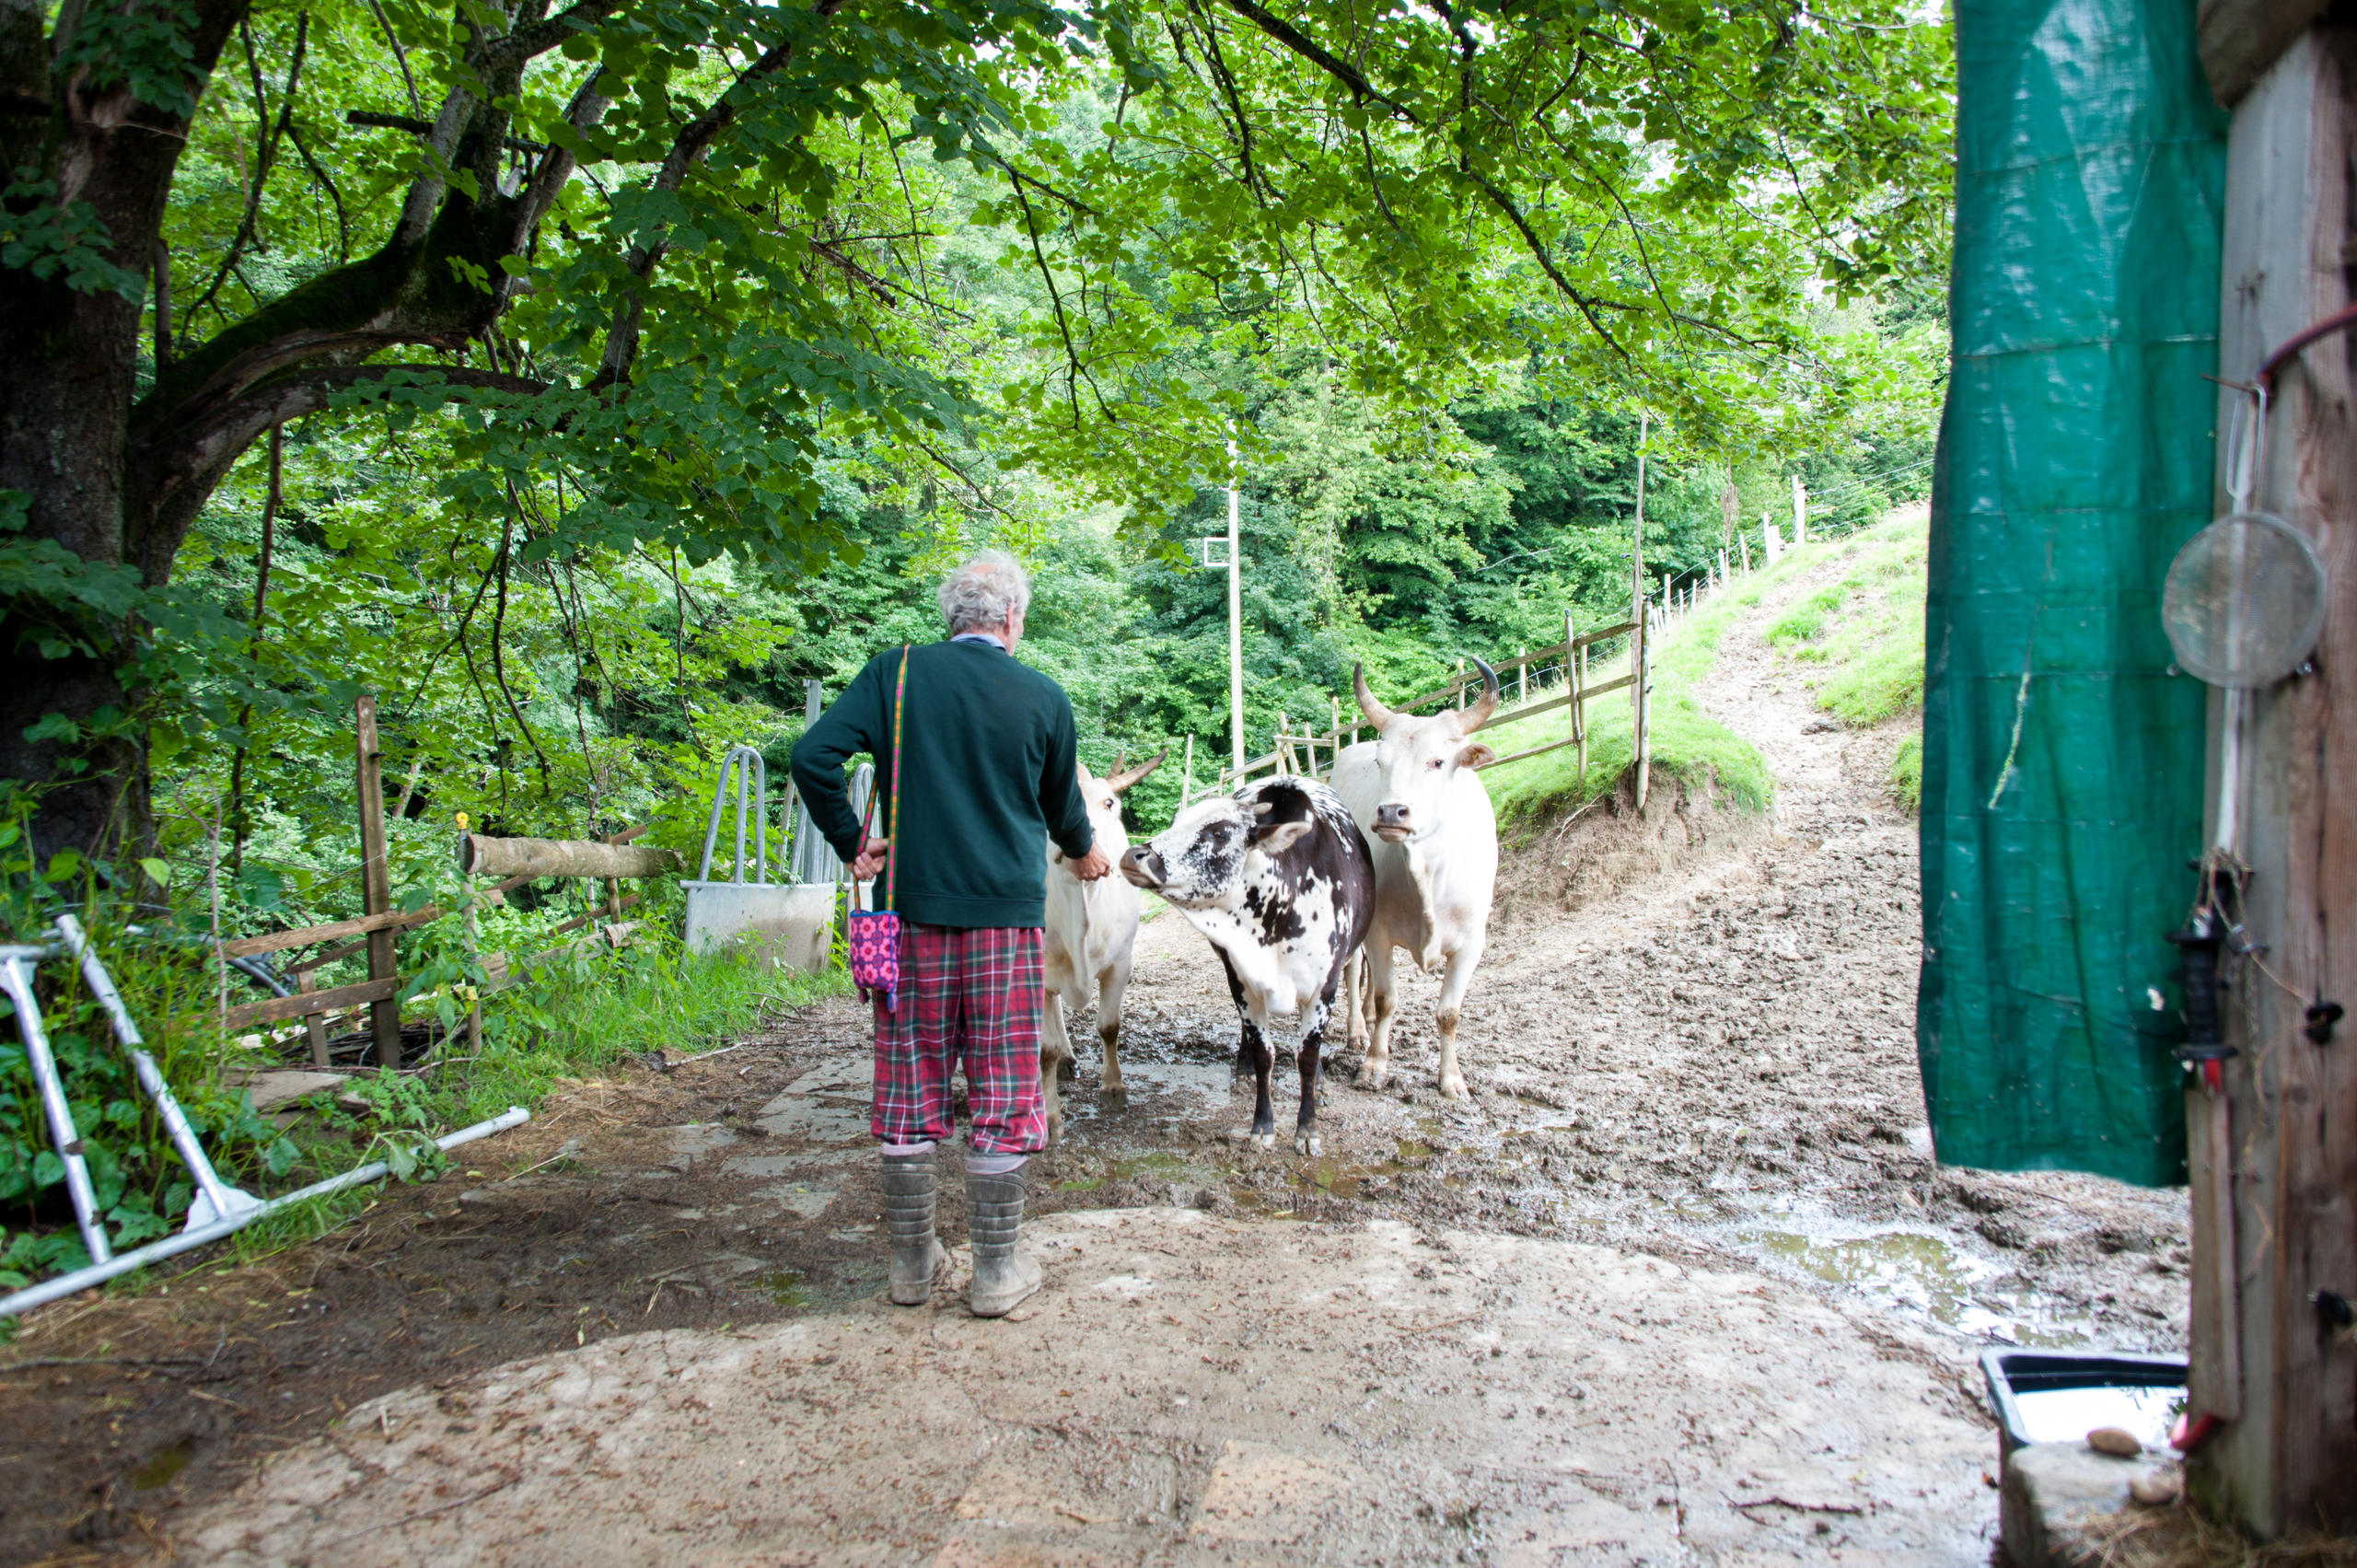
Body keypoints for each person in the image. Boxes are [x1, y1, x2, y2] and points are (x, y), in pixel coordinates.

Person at [790, 551, 1110, 1317]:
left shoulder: (893, 676)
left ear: (953, 617)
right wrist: (1088, 849)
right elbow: (1065, 810)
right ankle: (996, 1273)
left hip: (909, 920)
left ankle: (910, 1267)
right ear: (1010, 619)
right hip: (1002, 925)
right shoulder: (1042, 696)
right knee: (1003, 1088)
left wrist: (849, 836)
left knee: (908, 1088)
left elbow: (812, 756)